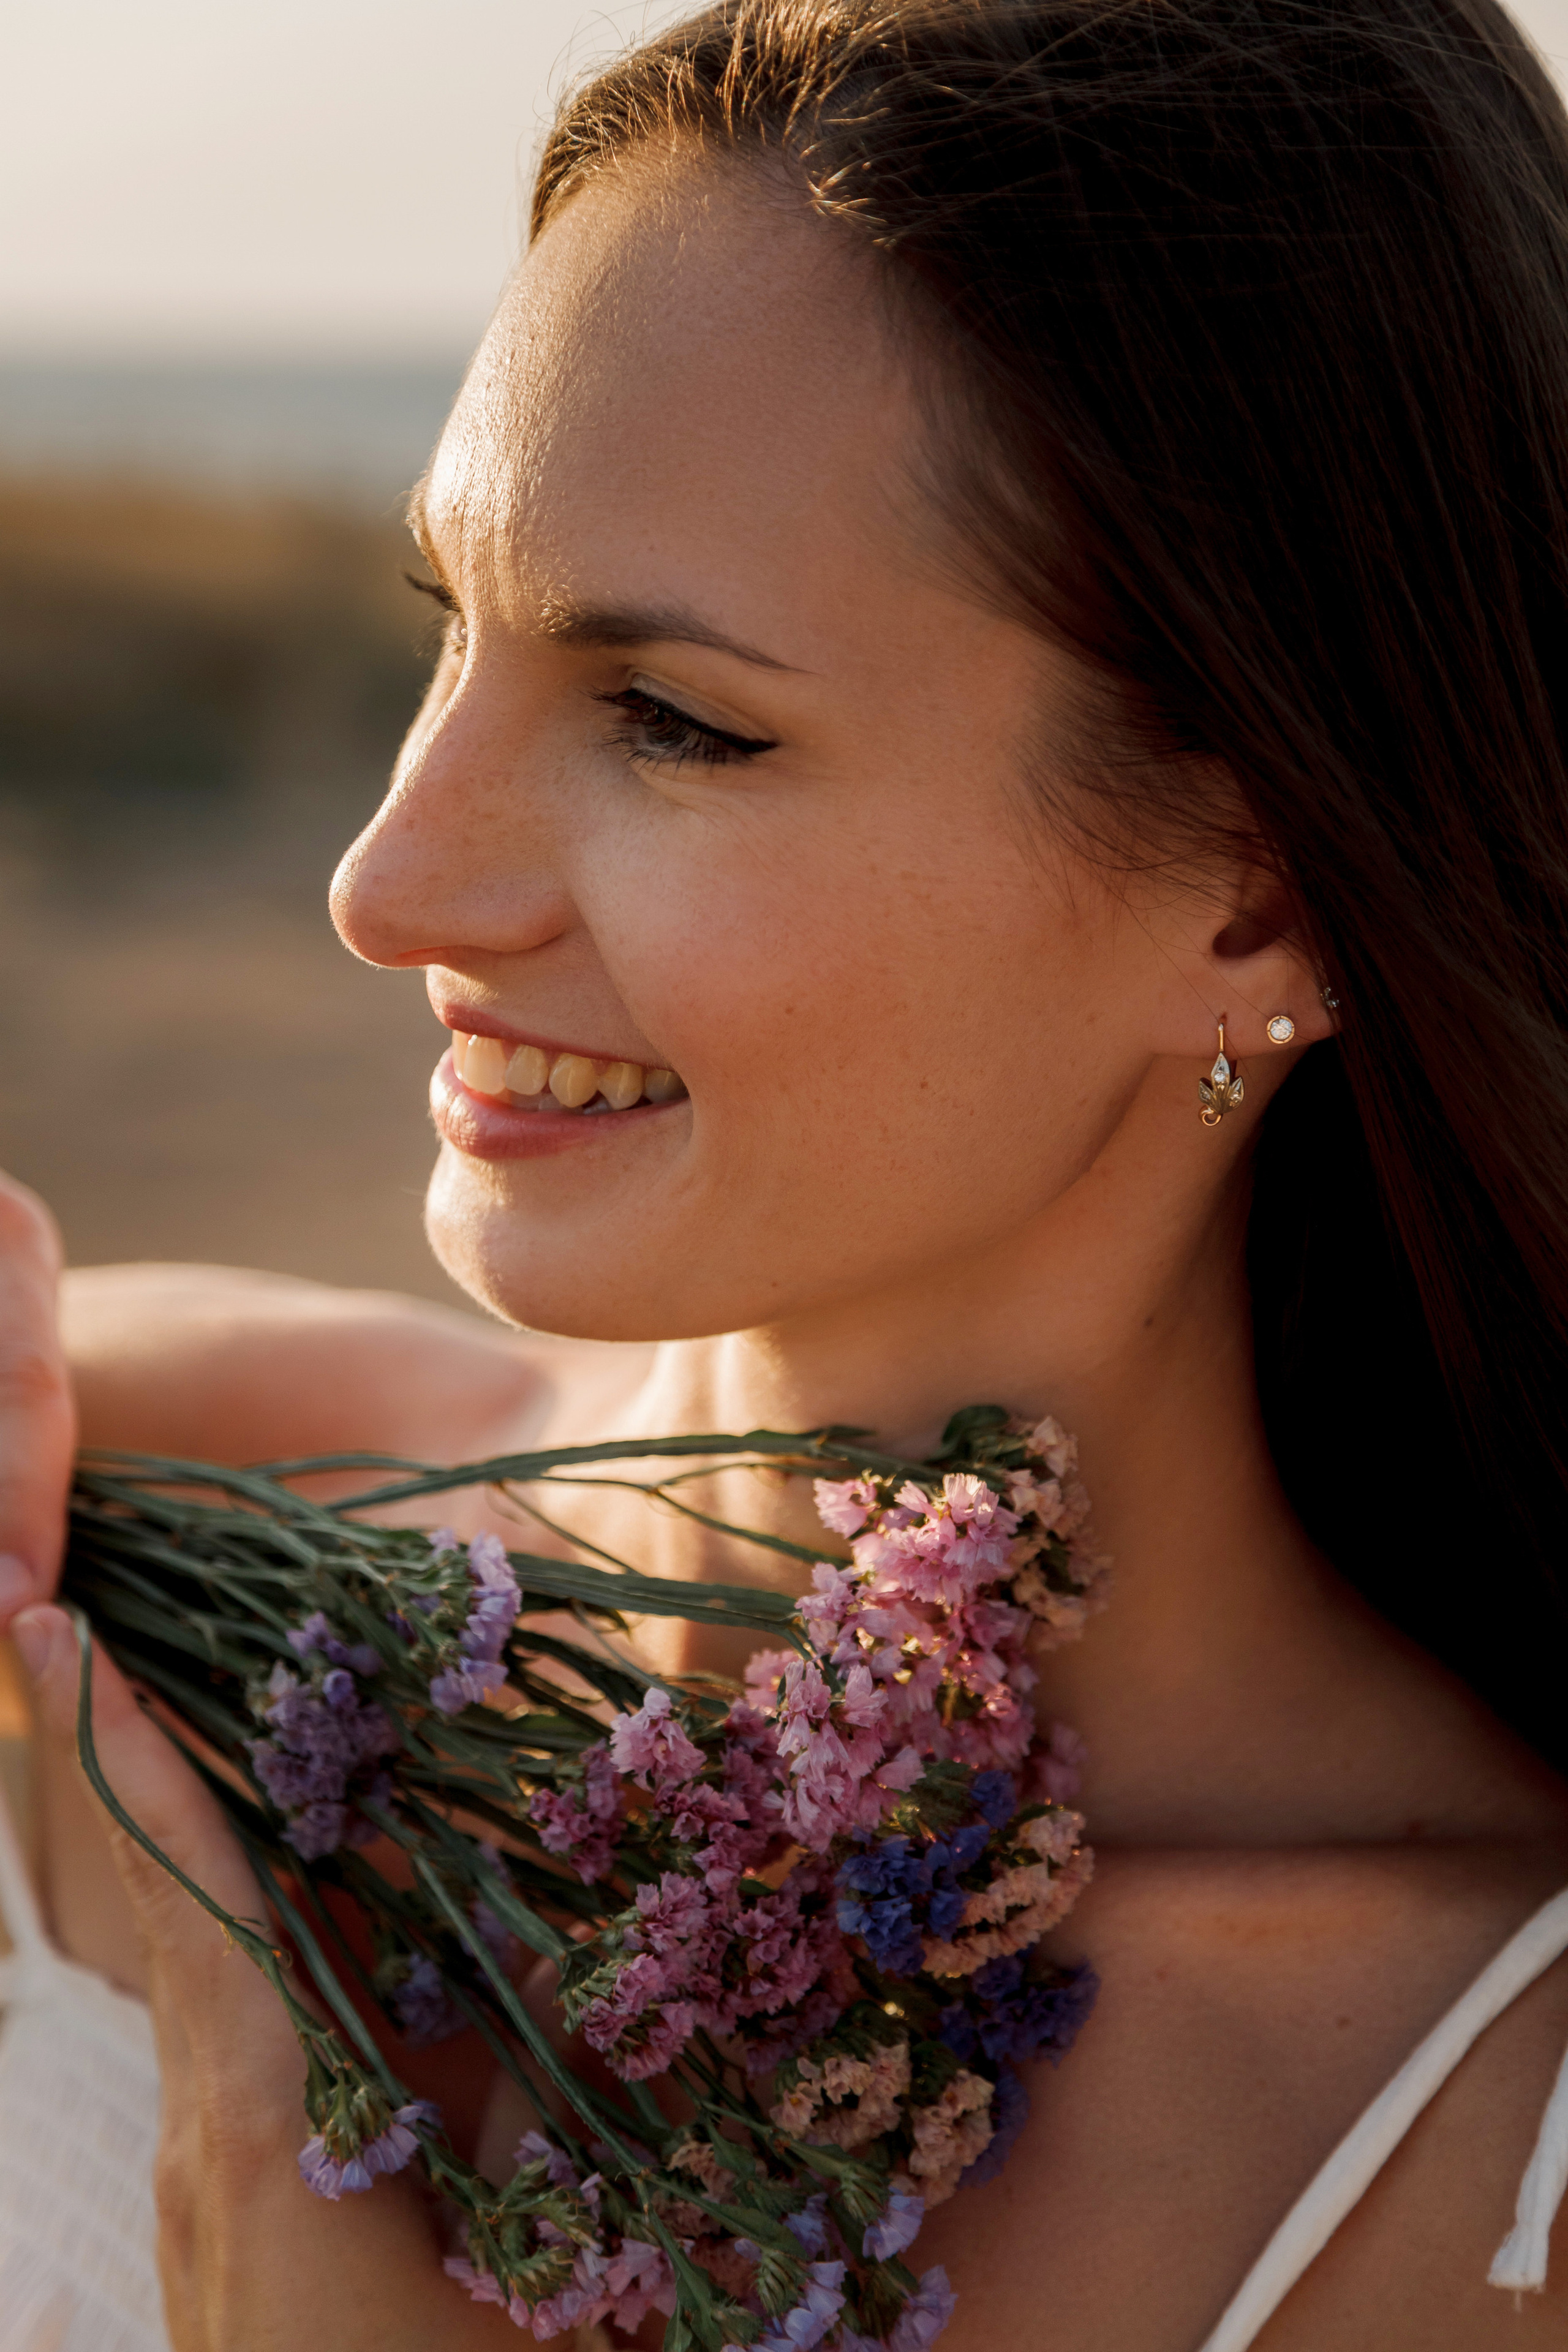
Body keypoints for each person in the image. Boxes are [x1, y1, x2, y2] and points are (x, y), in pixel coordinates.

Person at [5, 0, 1568, 2343]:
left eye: (670, 721)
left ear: (1258, 895)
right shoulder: (104, 1494)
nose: (389, 884)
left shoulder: (1490, 2118)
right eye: (450, 628)